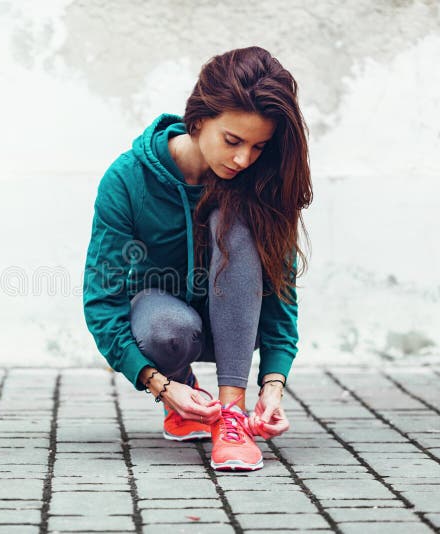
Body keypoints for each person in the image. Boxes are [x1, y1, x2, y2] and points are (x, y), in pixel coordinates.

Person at [82, 46, 312, 471]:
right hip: (168, 330)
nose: (244, 159)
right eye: (232, 140)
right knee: (162, 327)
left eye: (259, 146)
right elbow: (102, 300)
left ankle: (231, 415)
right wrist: (162, 386)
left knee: (237, 217)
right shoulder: (127, 179)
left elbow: (281, 294)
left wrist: (274, 384)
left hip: (242, 325)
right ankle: (188, 397)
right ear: (199, 119)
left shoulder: (258, 183)